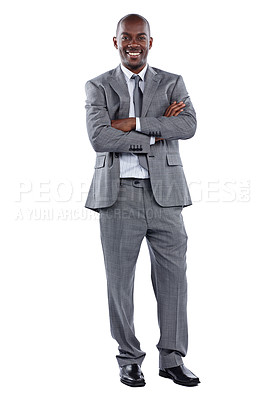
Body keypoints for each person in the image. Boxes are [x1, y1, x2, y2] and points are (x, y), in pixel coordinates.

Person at [84, 13, 200, 388]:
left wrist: (132, 122)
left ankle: (172, 359)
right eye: (126, 37)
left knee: (174, 280)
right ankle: (129, 358)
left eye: (141, 37)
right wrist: (154, 130)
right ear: (115, 42)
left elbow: (187, 126)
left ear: (151, 42)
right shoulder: (98, 86)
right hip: (117, 198)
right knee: (120, 283)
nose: (134, 42)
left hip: (166, 197)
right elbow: (100, 138)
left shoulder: (173, 83)